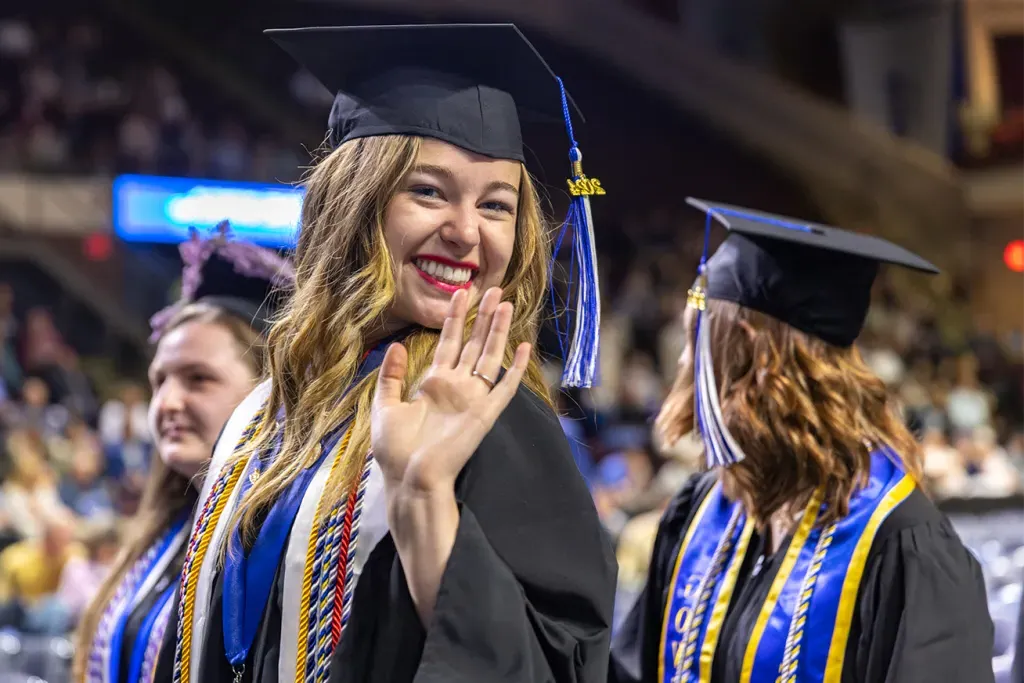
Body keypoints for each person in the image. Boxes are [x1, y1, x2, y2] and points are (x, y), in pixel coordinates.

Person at [166, 23, 617, 683]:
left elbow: (551, 665)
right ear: (355, 204)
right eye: (428, 191)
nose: (465, 231)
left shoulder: (491, 414)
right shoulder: (270, 412)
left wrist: (425, 499)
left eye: (496, 205)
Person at [609, 199, 994, 683]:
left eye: (702, 341)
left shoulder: (902, 547)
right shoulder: (703, 513)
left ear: (752, 353)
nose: (688, 363)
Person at [72, 225, 294, 683]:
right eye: (160, 380)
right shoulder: (165, 532)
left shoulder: (282, 543)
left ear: (267, 392)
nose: (167, 403)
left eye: (198, 379)